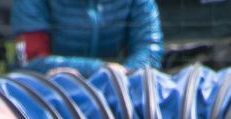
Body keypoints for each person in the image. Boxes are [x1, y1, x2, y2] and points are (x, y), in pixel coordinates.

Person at [11, 0, 163, 76]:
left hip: (115, 96)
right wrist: (101, 70)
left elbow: (149, 49)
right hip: (45, 101)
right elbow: (33, 61)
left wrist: (126, 75)